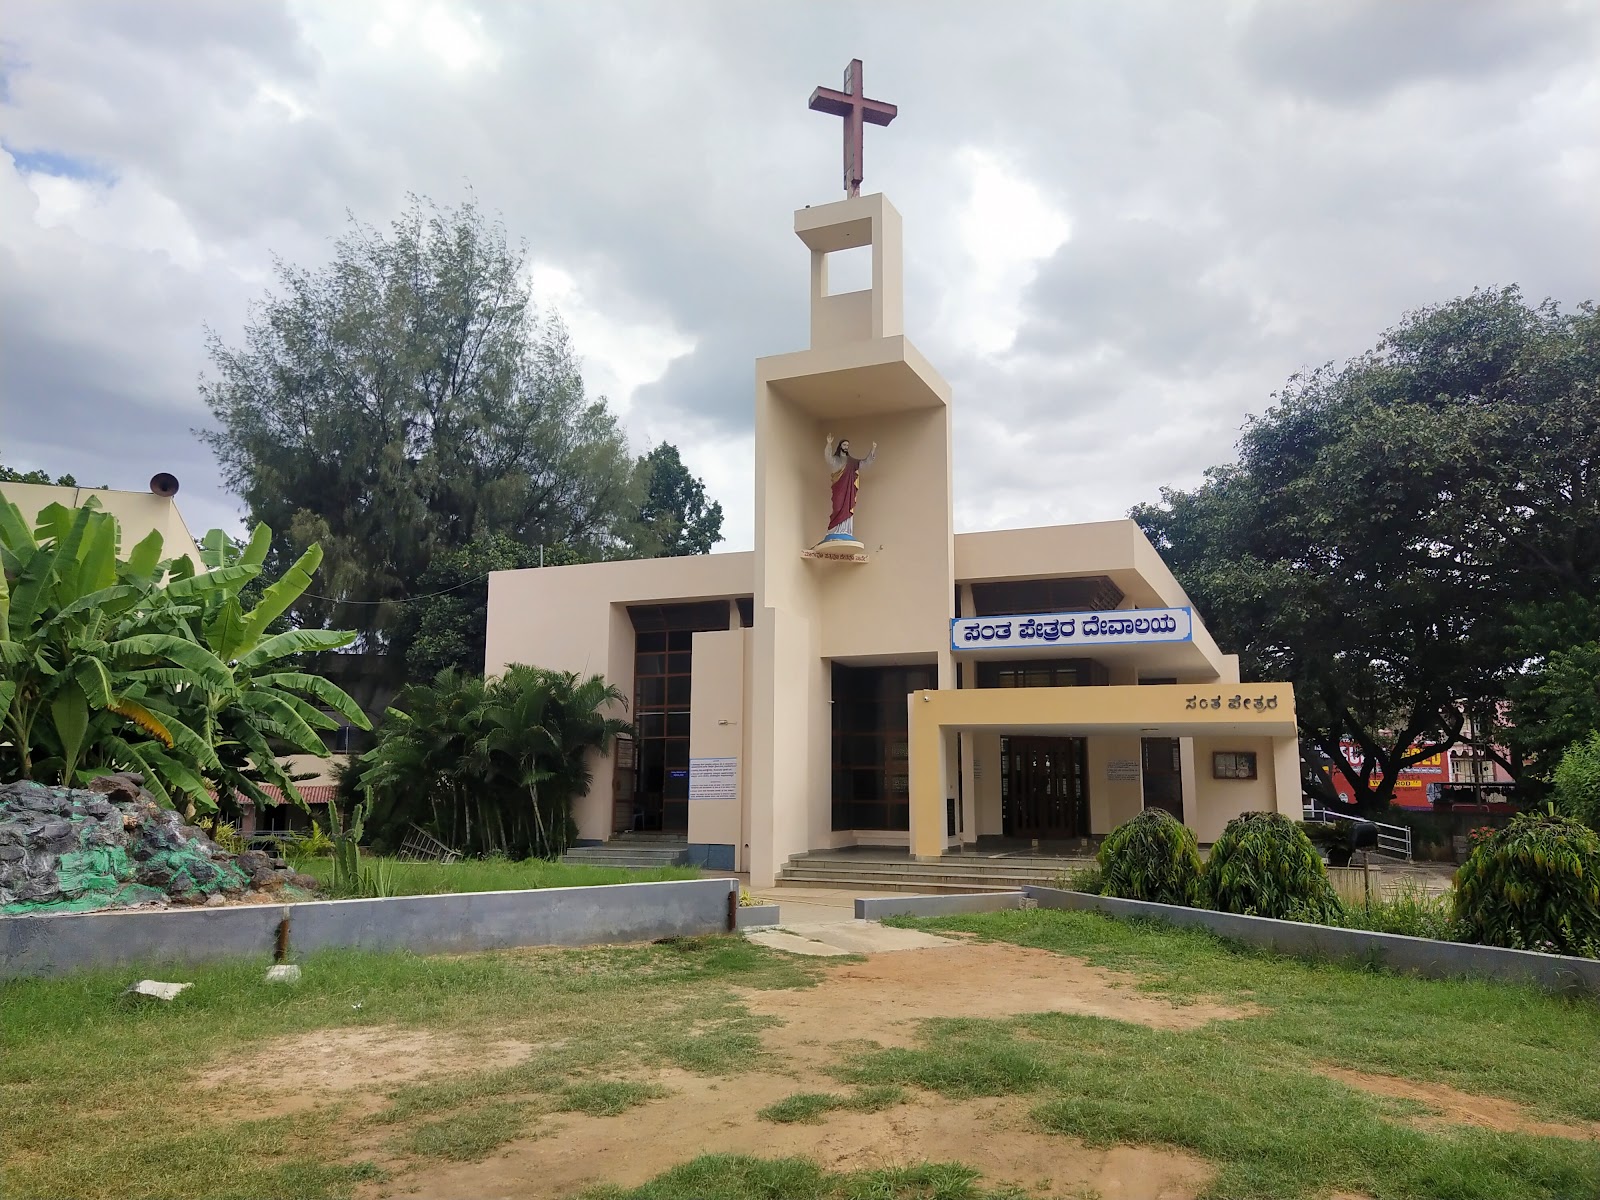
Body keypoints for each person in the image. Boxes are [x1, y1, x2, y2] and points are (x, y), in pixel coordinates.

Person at [823, 435, 877, 544]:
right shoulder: (836, 459)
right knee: (837, 508)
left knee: (847, 508)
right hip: (839, 488)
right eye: (844, 445)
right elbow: (828, 458)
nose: (846, 447)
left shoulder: (852, 462)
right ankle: (834, 530)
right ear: (840, 446)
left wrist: (873, 450)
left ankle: (845, 531)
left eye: (847, 445)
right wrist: (828, 444)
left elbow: (864, 463)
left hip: (848, 490)